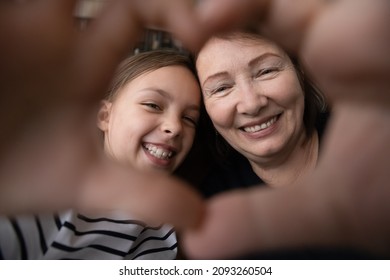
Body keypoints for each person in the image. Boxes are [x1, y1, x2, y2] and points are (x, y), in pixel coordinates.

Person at [1, 0, 389, 260]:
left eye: (267, 70)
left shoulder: (182, 221)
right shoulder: (200, 209)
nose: (251, 103)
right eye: (220, 88)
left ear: (300, 74)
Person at [0, 49, 202, 259]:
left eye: (189, 119)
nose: (175, 127)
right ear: (105, 116)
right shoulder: (48, 196)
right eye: (152, 105)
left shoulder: (171, 230)